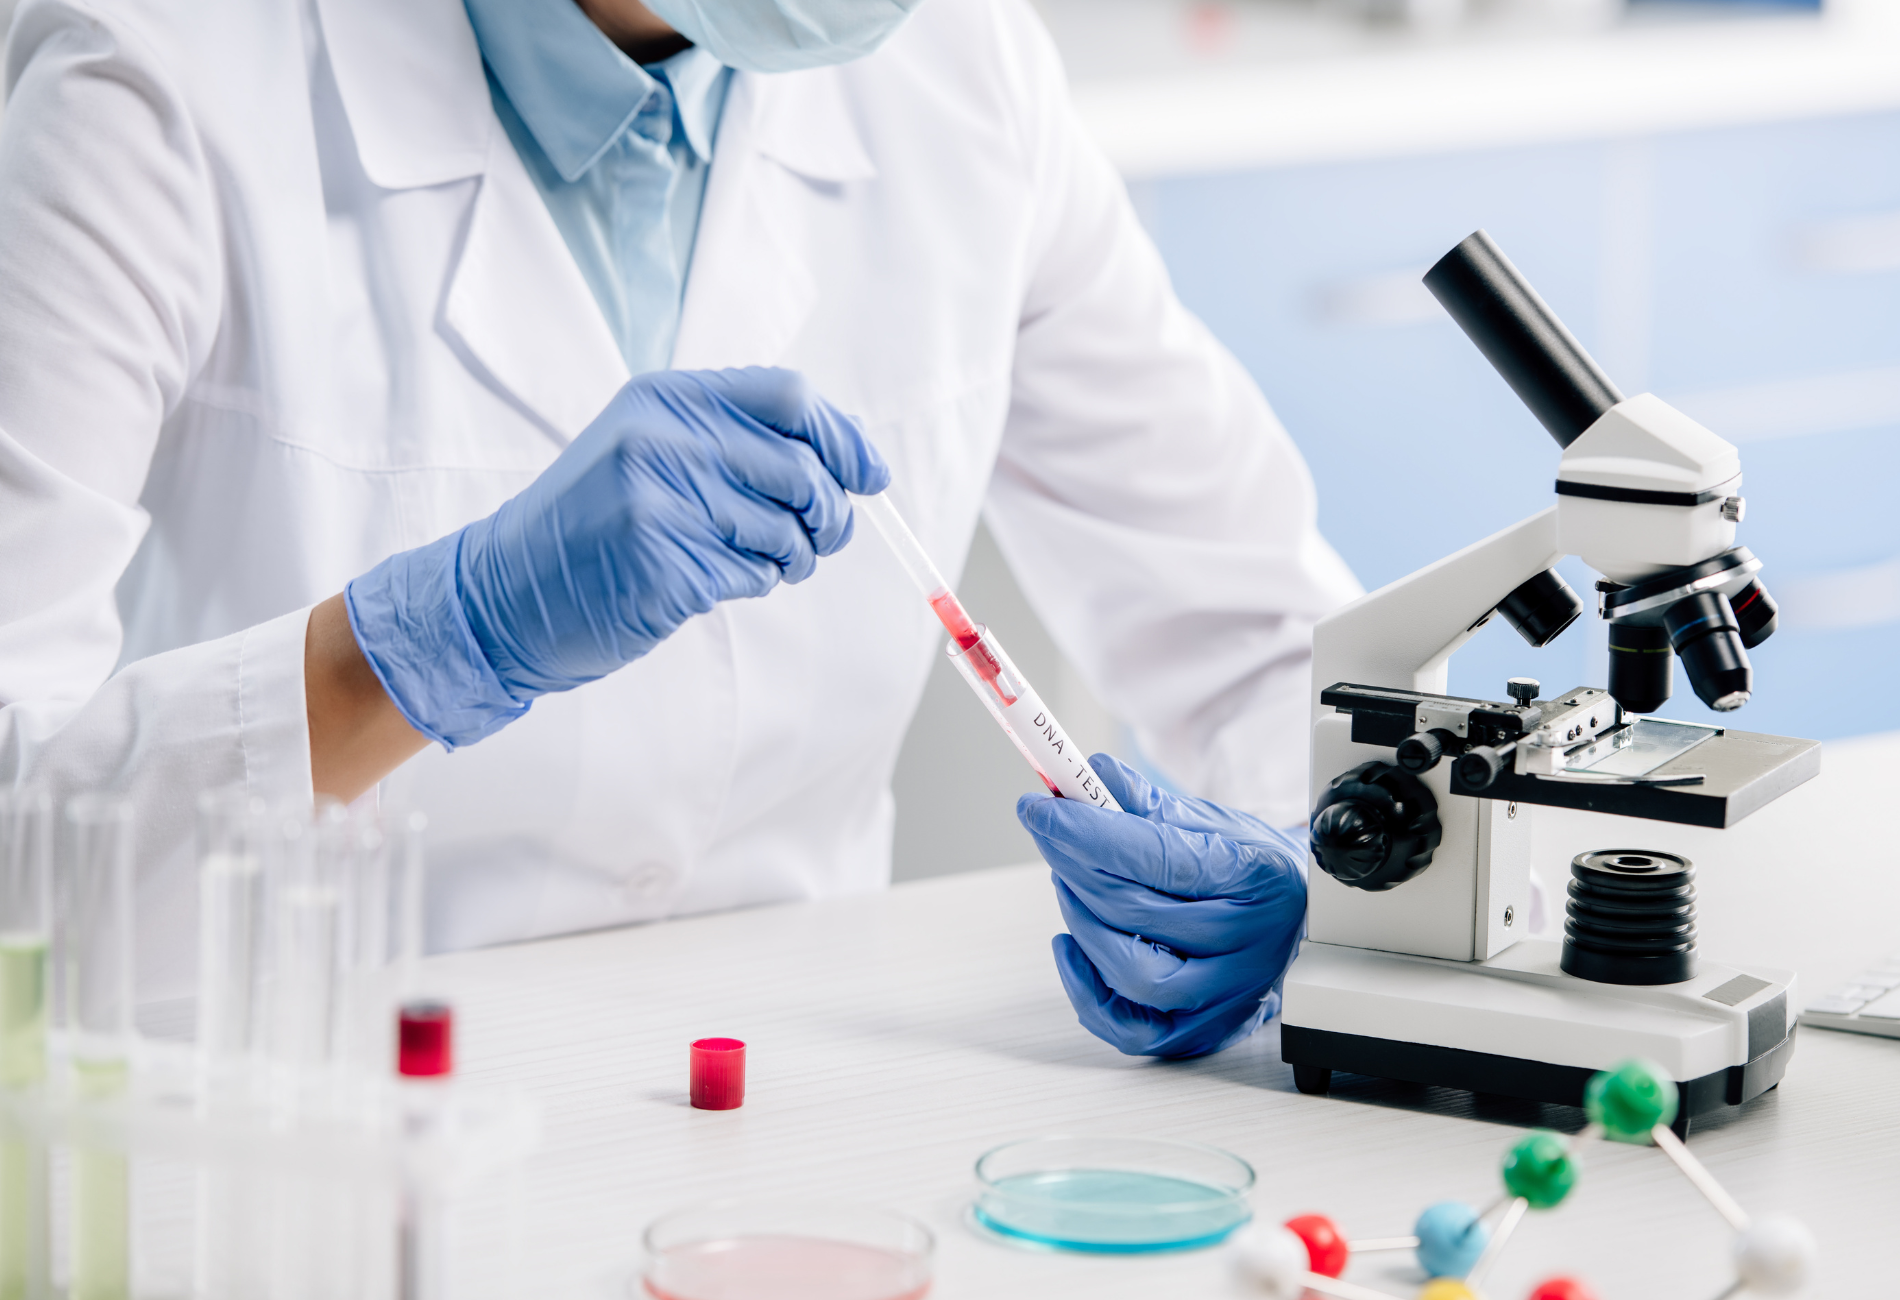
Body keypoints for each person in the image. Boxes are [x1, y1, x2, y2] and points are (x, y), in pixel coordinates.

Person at [0, 0, 1358, 1055]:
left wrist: (1317, 878)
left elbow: (1262, 642)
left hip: (802, 1116)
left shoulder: (961, 67)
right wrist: (423, 648)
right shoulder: (156, 70)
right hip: (298, 1121)